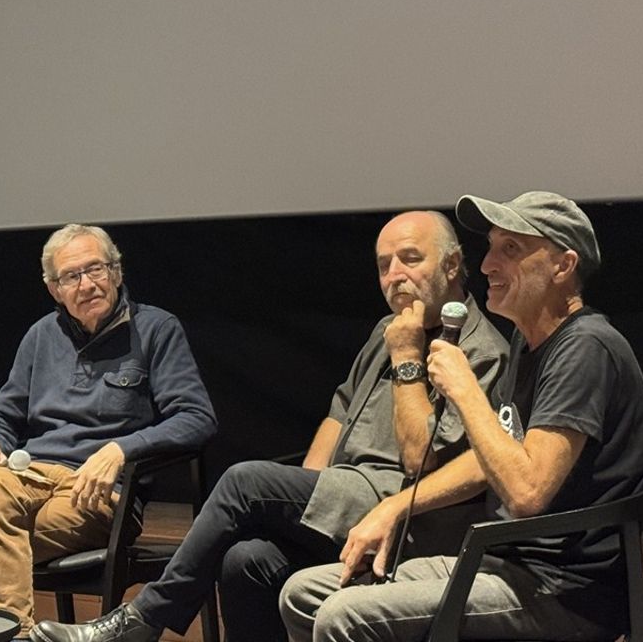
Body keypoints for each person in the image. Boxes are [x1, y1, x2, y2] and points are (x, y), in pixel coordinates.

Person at [30, 211, 508, 642]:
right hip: (345, 496)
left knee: (246, 480)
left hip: (404, 512)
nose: (395, 276)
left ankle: (143, 620)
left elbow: (419, 460)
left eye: (409, 259)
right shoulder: (388, 329)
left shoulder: (481, 352)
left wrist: (407, 358)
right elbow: (338, 414)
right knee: (246, 561)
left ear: (451, 266)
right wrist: (306, 501)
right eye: (385, 265)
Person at [280, 191, 643, 641]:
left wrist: (464, 390)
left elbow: (527, 492)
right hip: (503, 562)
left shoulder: (585, 348)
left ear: (563, 266)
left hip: (563, 590)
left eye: (510, 250)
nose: (487, 265)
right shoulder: (528, 342)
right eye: (492, 247)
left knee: (345, 616)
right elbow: (490, 459)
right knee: (301, 594)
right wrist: (395, 506)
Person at [0, 223, 218, 639]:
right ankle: (14, 635)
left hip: (98, 494)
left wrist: (120, 450)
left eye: (96, 270)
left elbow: (197, 418)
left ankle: (3, 635)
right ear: (54, 289)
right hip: (31, 479)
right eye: (72, 276)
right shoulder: (40, 337)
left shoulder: (157, 329)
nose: (87, 284)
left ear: (116, 273)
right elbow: (1, 413)